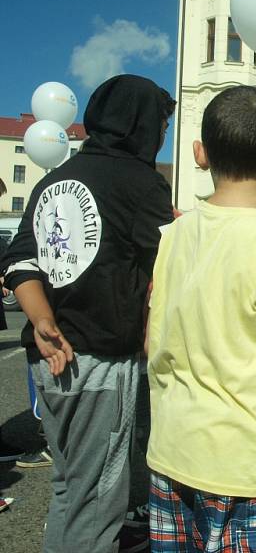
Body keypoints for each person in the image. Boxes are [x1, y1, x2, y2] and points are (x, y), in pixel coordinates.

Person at [0, 74, 176, 553]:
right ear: (139, 124)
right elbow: (170, 266)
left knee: (68, 487)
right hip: (100, 362)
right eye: (161, 123)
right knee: (97, 501)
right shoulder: (142, 183)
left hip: (48, 356)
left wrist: (41, 319)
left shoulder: (53, 180)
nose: (163, 134)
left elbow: (19, 261)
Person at [146, 85, 256, 550]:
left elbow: (151, 342)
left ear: (200, 154)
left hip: (171, 453)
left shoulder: (171, 236)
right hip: (244, 467)